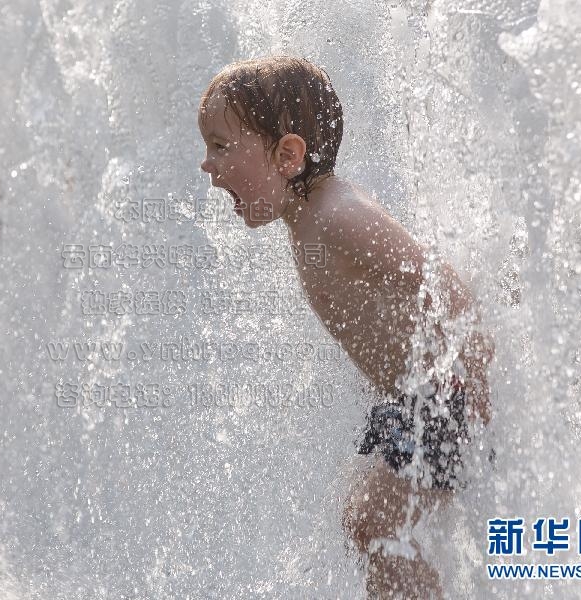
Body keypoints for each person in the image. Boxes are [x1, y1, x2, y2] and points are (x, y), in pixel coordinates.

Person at [197, 56, 494, 598]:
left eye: (220, 146)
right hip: (410, 400)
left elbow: (443, 285)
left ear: (287, 155)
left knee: (375, 520)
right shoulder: (307, 221)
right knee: (363, 522)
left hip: (445, 395)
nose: (207, 167)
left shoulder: (338, 217)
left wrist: (474, 380)